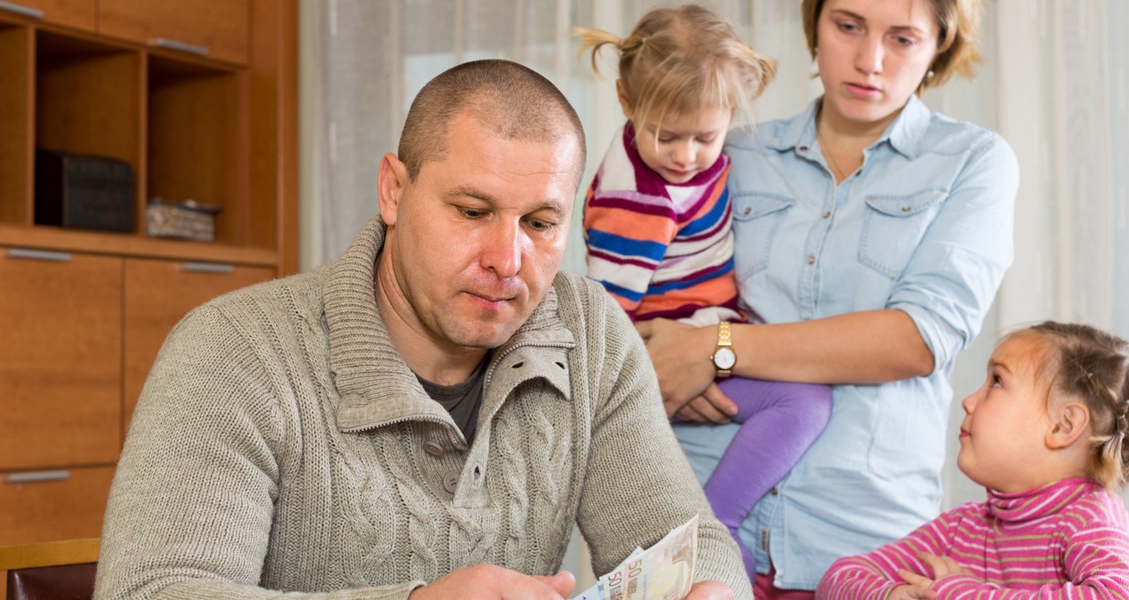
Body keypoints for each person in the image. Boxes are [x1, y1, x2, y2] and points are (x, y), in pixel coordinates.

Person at [92, 59, 749, 600]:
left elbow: (691, 543)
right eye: (472, 210)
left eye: (540, 224)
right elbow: (153, 590)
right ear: (393, 192)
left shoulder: (591, 334)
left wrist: (710, 588)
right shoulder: (234, 350)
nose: (506, 259)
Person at [636, 0, 1019, 596]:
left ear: (939, 45)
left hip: (861, 545)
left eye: (903, 40)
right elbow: (649, 297)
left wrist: (717, 347)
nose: (870, 61)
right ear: (814, 23)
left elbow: (917, 339)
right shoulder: (730, 150)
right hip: (692, 521)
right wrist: (661, 357)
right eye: (847, 26)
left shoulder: (973, 163)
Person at [575, 5, 832, 582]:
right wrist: (653, 383)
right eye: (667, 136)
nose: (686, 156)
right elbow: (606, 315)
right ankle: (717, 523)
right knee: (807, 401)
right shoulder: (636, 203)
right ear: (625, 102)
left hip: (704, 333)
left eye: (706, 137)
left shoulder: (683, 159)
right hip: (674, 343)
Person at [817, 321, 1129, 599]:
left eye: (997, 382)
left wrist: (961, 592)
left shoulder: (1090, 519)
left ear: (1064, 426)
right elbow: (838, 579)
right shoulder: (961, 528)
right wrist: (888, 594)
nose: (969, 401)